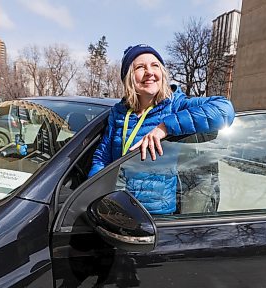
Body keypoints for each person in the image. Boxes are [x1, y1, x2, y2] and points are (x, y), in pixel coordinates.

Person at [88, 44, 235, 215]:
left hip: (156, 218)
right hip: (116, 209)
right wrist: (92, 196)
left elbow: (224, 110)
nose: (149, 72)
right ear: (129, 77)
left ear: (162, 74)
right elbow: (102, 158)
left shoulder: (176, 105)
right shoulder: (119, 113)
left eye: (155, 65)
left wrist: (165, 127)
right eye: (140, 67)